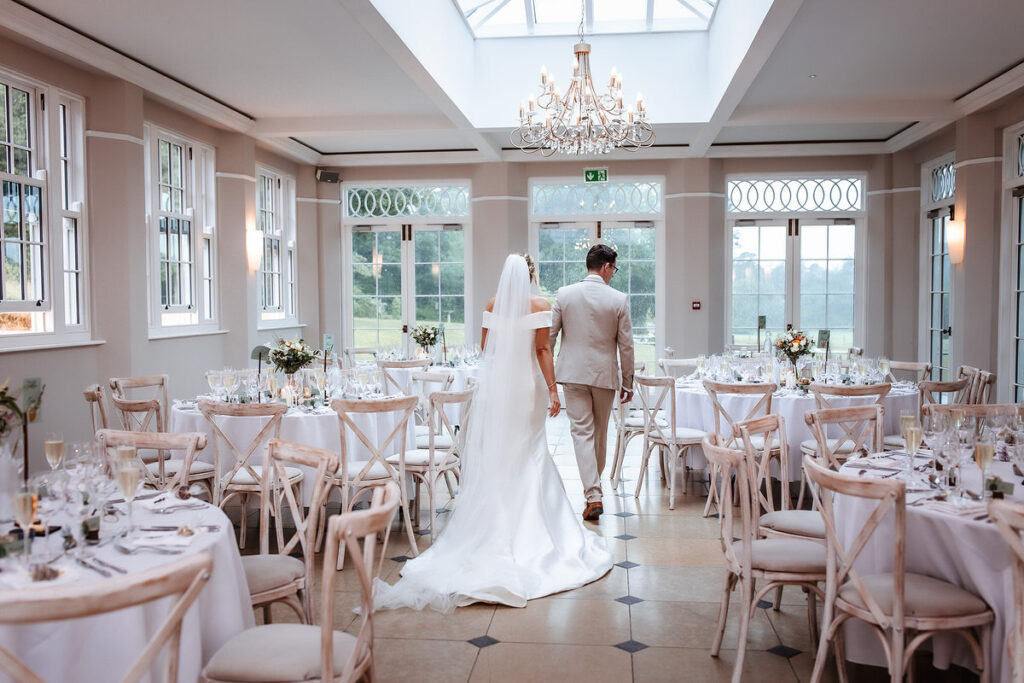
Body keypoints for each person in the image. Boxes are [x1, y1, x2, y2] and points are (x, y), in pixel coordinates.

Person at [373, 254, 613, 614]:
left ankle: (496, 526)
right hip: (528, 386)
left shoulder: (491, 304)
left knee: (503, 453)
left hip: (501, 387)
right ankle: (533, 530)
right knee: (531, 451)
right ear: (531, 275)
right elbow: (543, 348)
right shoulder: (540, 304)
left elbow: (487, 349)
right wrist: (551, 389)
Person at [550, 244, 635, 521]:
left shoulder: (564, 294)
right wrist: (628, 382)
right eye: (614, 269)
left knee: (583, 435)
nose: (614, 274)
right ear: (606, 266)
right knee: (597, 435)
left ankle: (593, 492)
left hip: (572, 375)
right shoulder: (619, 299)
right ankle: (593, 494)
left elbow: (549, 339)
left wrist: (547, 376)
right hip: (603, 376)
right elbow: (627, 346)